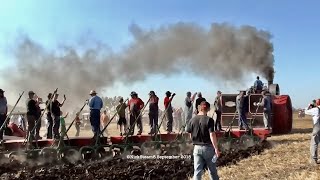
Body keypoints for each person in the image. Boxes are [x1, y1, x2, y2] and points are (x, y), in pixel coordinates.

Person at [187, 101, 220, 180]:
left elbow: (190, 134)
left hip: (197, 148)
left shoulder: (192, 120)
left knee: (197, 171)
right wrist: (216, 148)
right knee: (212, 171)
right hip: (208, 148)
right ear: (208, 109)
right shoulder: (209, 120)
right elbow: (212, 135)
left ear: (199, 108)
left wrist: (194, 141)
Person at [305, 99, 320, 165]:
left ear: (317, 103)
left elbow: (306, 112)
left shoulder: (315, 110)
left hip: (317, 127)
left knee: (314, 143)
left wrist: (308, 106)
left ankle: (314, 160)